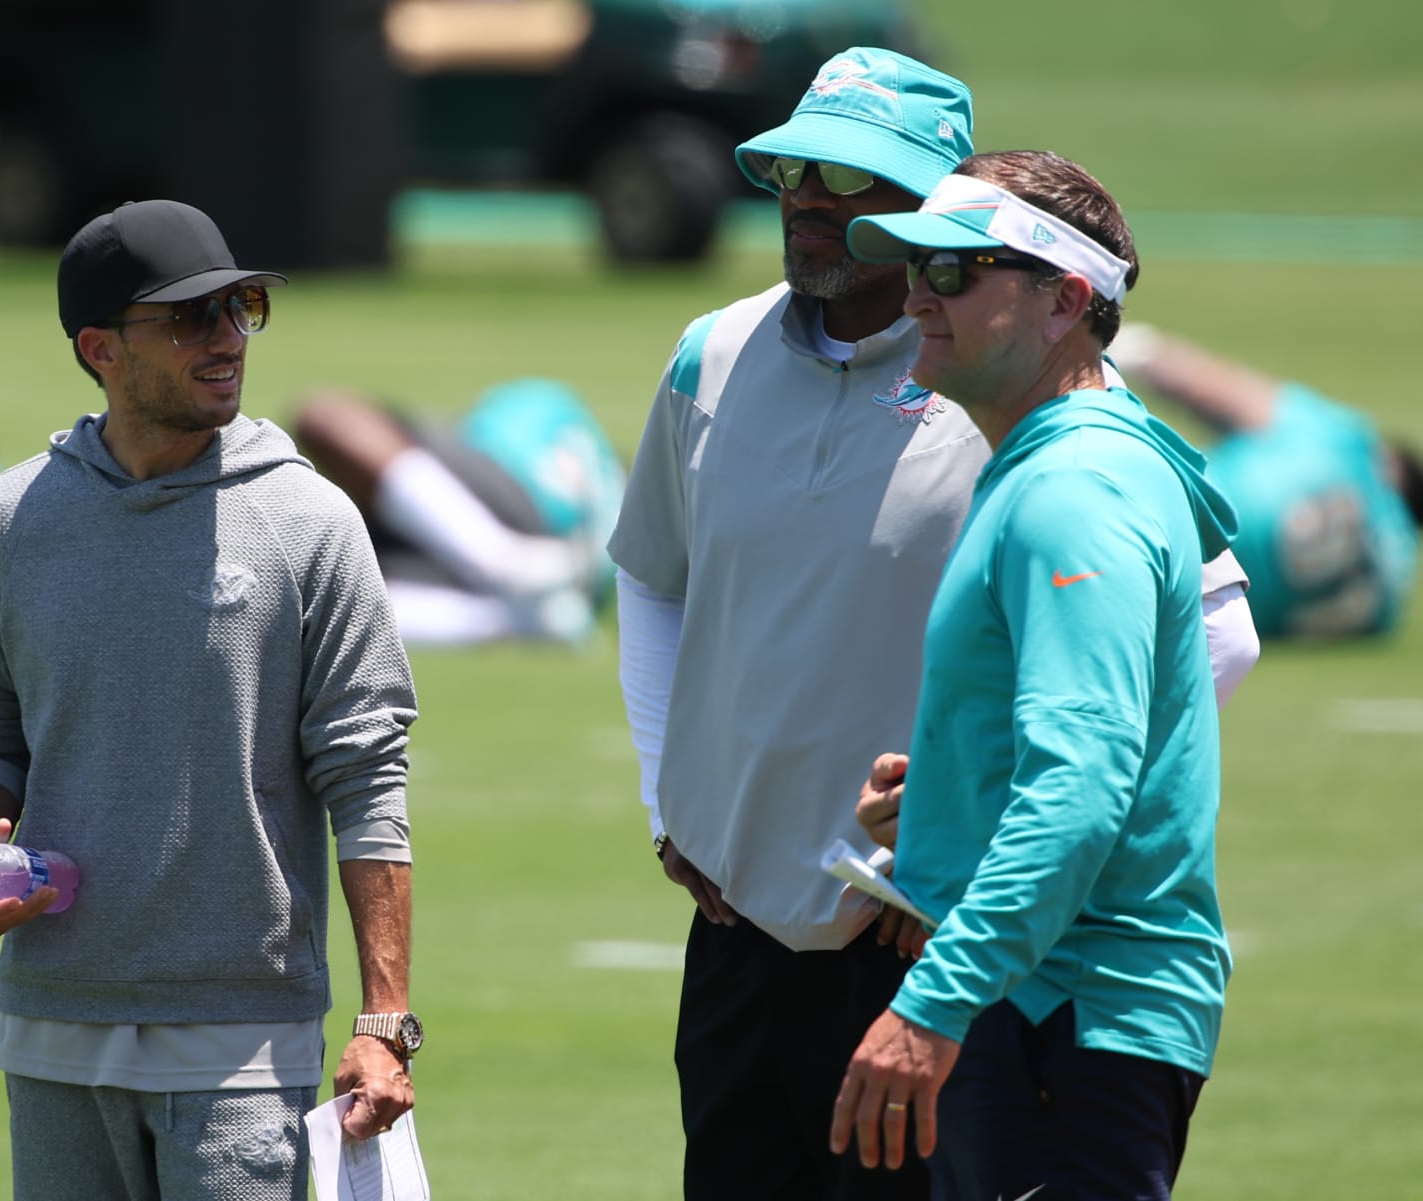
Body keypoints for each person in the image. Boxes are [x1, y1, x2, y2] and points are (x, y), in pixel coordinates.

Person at [607, 47, 1259, 1200]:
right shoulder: (712, 354)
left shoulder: (1025, 397)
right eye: (795, 169)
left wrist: (967, 860)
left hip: (930, 950)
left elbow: (1213, 633)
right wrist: (676, 801)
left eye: (855, 180)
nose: (812, 199)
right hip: (741, 930)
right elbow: (655, 576)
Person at [0, 199, 423, 1201]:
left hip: (242, 1051)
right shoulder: (5, 522)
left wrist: (384, 1020)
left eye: (240, 308)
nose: (226, 339)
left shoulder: (308, 520)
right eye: (190, 318)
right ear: (99, 348)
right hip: (51, 1031)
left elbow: (368, 771)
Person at [828, 151, 1235, 1201]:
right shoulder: (1058, 464)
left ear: (1065, 301)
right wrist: (951, 802)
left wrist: (933, 1004)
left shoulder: (1073, 490)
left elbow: (1082, 785)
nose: (917, 293)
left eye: (956, 272)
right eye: (917, 266)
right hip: (1049, 1010)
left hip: (1066, 1018)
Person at [1106, 323, 1423, 639]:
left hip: (1149, 515)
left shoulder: (1353, 444)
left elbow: (1217, 393)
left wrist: (1128, 347)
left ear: (1391, 464)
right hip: (1186, 614)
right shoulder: (1386, 593)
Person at [288, 377, 625, 646]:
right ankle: (516, 616)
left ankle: (508, 566)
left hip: (523, 502)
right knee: (303, 605)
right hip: (561, 565)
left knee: (325, 418)